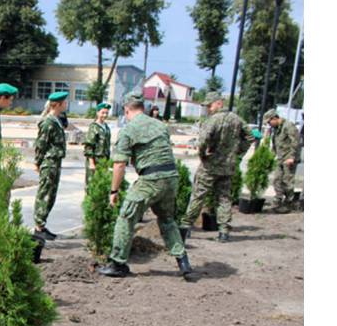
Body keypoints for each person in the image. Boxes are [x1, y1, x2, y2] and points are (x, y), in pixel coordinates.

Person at [97, 92, 194, 279]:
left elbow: (119, 164)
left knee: (126, 217)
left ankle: (118, 264)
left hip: (151, 180)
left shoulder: (129, 129)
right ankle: (183, 262)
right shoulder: (160, 125)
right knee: (167, 220)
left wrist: (114, 191)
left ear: (126, 110)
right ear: (143, 108)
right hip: (171, 177)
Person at [179, 92, 255, 242]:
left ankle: (185, 227)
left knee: (198, 196)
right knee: (224, 198)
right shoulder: (237, 119)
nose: (208, 108)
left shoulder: (212, 120)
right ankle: (223, 232)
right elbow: (250, 137)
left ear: (219, 103)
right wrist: (238, 153)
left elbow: (202, 142)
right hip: (228, 167)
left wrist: (203, 155)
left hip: (210, 166)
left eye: (210, 105)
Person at [32, 91, 69, 240]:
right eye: (64, 102)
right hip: (49, 162)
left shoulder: (56, 120)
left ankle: (42, 225)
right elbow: (41, 144)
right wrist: (37, 162)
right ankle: (38, 227)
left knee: (51, 195)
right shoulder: (48, 122)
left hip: (55, 161)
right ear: (58, 104)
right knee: (44, 193)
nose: (66, 104)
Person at [264, 108, 301, 212]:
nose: (269, 124)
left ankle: (289, 203)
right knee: (277, 180)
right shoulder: (276, 129)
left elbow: (296, 142)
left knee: (287, 181)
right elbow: (275, 144)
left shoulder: (288, 126)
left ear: (274, 118)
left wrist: (292, 157)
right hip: (280, 158)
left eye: (269, 121)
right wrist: (272, 156)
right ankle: (278, 201)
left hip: (289, 158)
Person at [83, 102, 112, 186]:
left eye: (106, 113)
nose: (105, 115)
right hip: (95, 159)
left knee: (101, 184)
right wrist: (92, 163)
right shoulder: (94, 127)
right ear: (97, 113)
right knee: (92, 184)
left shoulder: (106, 127)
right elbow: (89, 147)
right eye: (103, 113)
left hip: (104, 160)